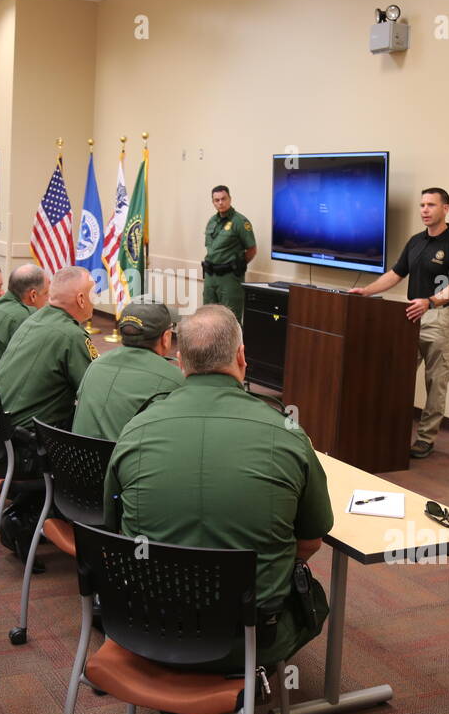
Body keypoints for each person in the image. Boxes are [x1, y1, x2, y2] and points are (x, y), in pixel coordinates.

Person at [104, 304, 334, 673]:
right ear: (242, 357)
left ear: (180, 361)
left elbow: (114, 529)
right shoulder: (288, 433)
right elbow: (310, 540)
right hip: (249, 636)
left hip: (148, 624)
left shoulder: (136, 429)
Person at [349, 188, 449, 458]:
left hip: (442, 316)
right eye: (422, 205)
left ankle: (426, 438)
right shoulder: (416, 241)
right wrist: (367, 291)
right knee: (397, 374)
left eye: (431, 205)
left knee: (435, 382)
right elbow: (395, 274)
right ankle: (390, 430)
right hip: (412, 315)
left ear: (446, 209)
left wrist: (430, 301)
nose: (425, 210)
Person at [0, 265, 95, 429]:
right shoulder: (71, 335)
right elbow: (93, 388)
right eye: (93, 294)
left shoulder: (34, 319)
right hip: (28, 436)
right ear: (81, 299)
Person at [71, 299, 184, 441]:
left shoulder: (96, 365)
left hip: (79, 460)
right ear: (166, 338)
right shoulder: (173, 379)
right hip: (126, 461)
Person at [201, 185, 257, 322]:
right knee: (208, 317)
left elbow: (252, 250)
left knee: (230, 319)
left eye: (223, 199)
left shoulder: (240, 222)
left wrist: (237, 265)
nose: (220, 202)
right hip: (210, 276)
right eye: (217, 200)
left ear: (230, 199)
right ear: (213, 202)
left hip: (229, 278)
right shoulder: (212, 221)